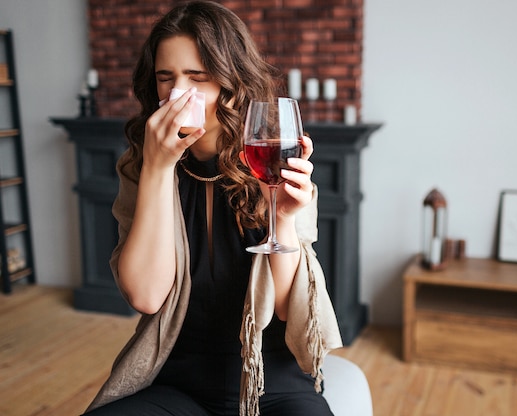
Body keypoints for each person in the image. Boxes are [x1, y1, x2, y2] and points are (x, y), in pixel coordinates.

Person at [82, 2, 342, 415]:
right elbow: (146, 296)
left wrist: (284, 219)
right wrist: (158, 167)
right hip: (177, 380)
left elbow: (285, 309)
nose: (177, 94)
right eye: (166, 78)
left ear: (230, 81)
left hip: (269, 378)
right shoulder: (141, 164)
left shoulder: (271, 156)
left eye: (196, 78)